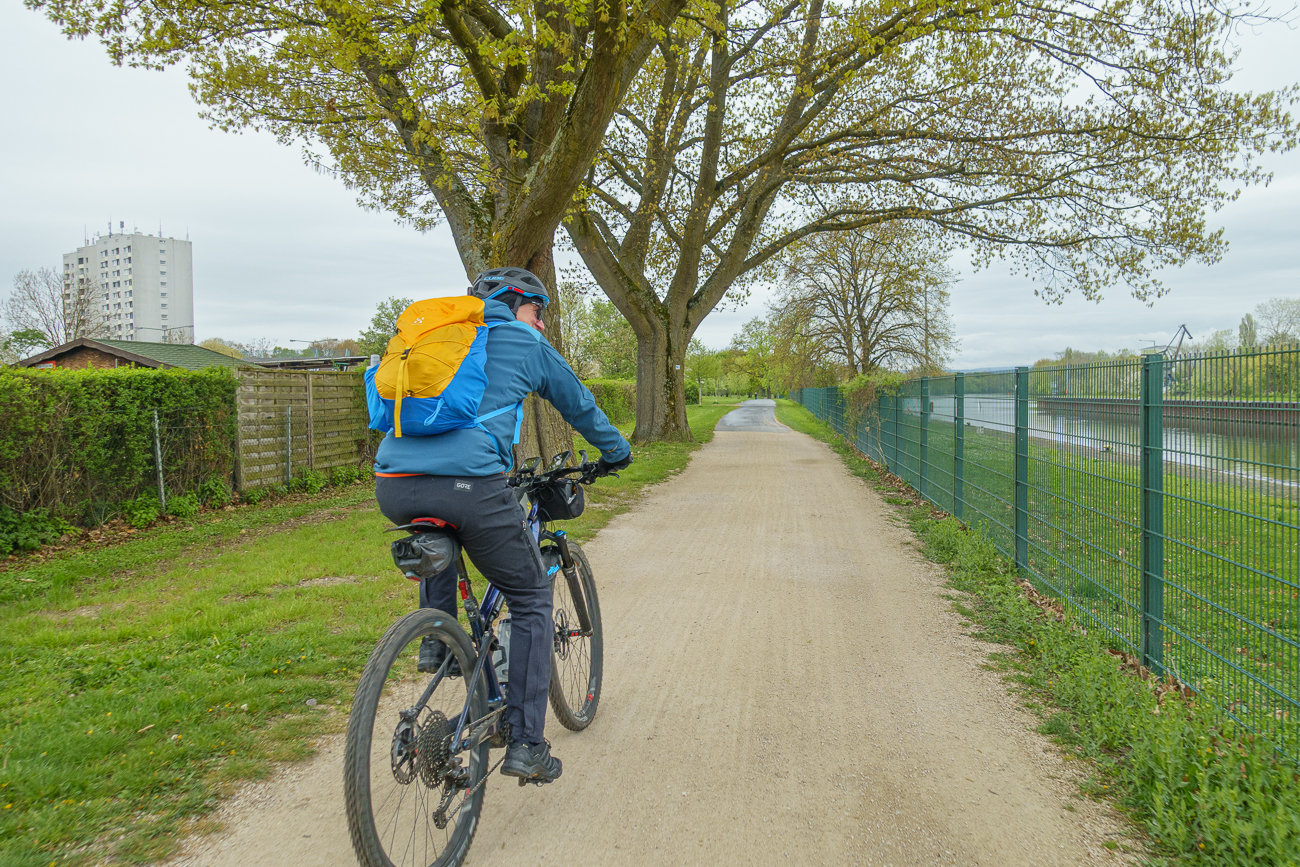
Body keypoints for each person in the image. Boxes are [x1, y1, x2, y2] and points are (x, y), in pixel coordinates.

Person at [373, 267, 632, 784]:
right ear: (516, 303)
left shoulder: (437, 337)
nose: (540, 324)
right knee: (532, 593)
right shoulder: (519, 339)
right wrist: (617, 452)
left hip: (393, 481)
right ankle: (528, 744)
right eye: (539, 312)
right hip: (470, 482)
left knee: (443, 532)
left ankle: (437, 641)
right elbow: (578, 403)